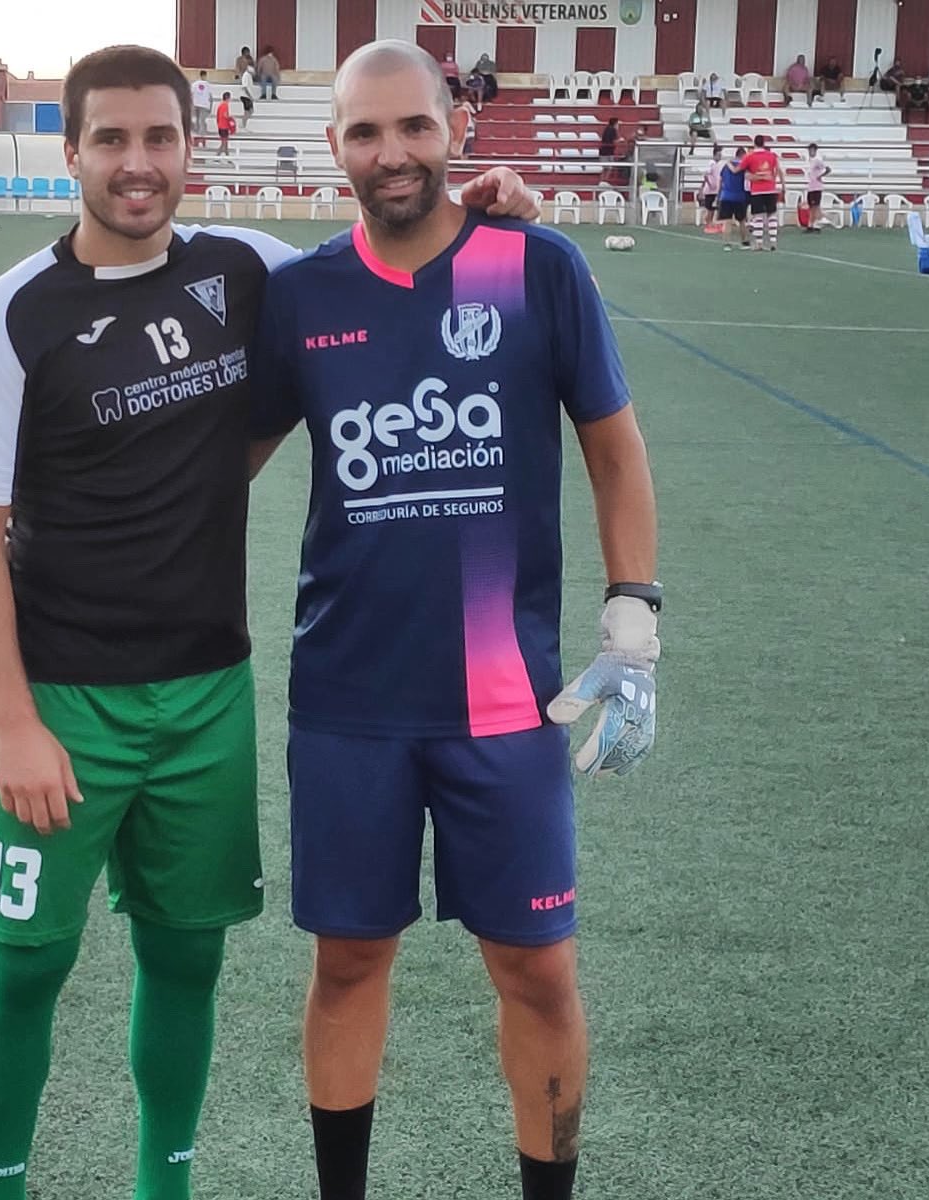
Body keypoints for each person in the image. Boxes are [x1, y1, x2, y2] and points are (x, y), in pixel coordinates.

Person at [0, 37, 542, 1200]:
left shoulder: (254, 270)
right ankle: (0, 1189)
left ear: (190, 148)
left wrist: (489, 206)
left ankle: (164, 1186)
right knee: (26, 967)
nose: (136, 163)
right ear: (71, 153)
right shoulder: (8, 317)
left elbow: (386, 254)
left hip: (208, 693)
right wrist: (11, 720)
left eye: (158, 137)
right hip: (60, 700)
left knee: (184, 962)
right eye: (110, 139)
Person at [249, 39, 660, 1200]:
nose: (392, 154)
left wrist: (634, 624)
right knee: (348, 962)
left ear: (455, 131)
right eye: (365, 132)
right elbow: (221, 462)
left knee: (537, 970)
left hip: (503, 701)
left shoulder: (534, 267)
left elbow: (614, 450)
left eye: (414, 127)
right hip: (348, 701)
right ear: (333, 146)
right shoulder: (301, 295)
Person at [737, 133, 786, 250]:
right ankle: (773, 242)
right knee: (771, 215)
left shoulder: (749, 156)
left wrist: (755, 176)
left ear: (754, 143)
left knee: (757, 216)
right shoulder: (772, 156)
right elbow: (777, 170)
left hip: (757, 190)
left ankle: (759, 243)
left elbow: (743, 172)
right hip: (770, 189)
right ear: (764, 143)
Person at [717, 146, 750, 250]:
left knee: (727, 221)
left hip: (726, 195)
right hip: (739, 196)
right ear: (742, 155)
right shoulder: (743, 166)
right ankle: (744, 242)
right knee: (742, 221)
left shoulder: (726, 166)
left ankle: (727, 244)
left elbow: (721, 180)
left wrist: (718, 195)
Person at [803, 142, 830, 232]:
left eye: (812, 150)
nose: (810, 152)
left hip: (817, 187)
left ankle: (818, 222)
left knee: (815, 206)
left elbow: (828, 169)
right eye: (809, 150)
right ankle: (811, 224)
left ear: (815, 150)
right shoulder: (810, 161)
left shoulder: (818, 160)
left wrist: (820, 176)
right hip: (811, 186)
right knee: (811, 206)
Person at [699, 143, 723, 225]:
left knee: (713, 208)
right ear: (715, 155)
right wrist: (710, 184)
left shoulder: (717, 165)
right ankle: (708, 222)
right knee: (710, 208)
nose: (720, 157)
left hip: (715, 190)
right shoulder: (711, 164)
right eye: (719, 155)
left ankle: (710, 222)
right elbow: (706, 175)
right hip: (710, 190)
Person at [190, 69, 212, 138]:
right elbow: (210, 96)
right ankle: (201, 134)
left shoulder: (194, 84)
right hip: (204, 104)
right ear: (204, 75)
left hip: (196, 103)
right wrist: (210, 106)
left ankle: (197, 133)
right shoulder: (207, 84)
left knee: (197, 119)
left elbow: (191, 94)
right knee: (201, 120)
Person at [217, 90, 236, 155]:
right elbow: (225, 115)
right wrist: (231, 117)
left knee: (225, 143)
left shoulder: (221, 105)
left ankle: (227, 156)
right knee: (224, 143)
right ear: (228, 97)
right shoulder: (225, 105)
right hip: (223, 127)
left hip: (221, 126)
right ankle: (217, 157)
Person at [239, 63, 257, 128]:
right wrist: (250, 96)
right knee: (247, 111)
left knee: (251, 111)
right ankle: (243, 124)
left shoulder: (249, 76)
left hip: (248, 96)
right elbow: (245, 87)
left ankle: (244, 124)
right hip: (245, 96)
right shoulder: (246, 75)